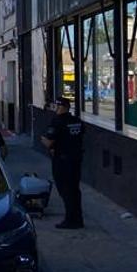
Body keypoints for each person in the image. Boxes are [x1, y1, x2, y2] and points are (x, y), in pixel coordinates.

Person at [42, 98, 84, 229]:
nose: (56, 109)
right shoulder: (77, 121)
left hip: (62, 160)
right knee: (74, 189)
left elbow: (49, 142)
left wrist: (42, 139)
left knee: (65, 190)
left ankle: (71, 220)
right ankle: (78, 218)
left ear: (63, 107)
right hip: (76, 159)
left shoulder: (57, 122)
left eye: (57, 106)